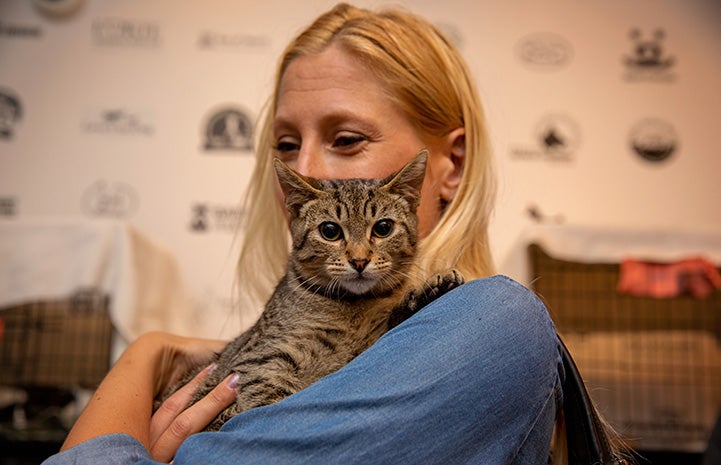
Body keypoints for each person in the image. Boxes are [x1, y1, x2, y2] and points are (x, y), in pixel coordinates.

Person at [43, 3, 567, 464]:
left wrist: (141, 359)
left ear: (451, 165)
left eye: (346, 138)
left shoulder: (496, 322)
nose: (307, 170)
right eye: (287, 144)